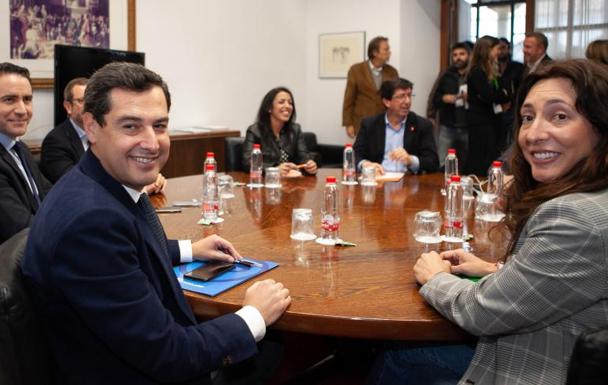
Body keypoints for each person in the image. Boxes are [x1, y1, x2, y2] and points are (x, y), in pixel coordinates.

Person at [22, 62, 291, 385]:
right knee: (279, 342)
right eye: (131, 127)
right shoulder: (91, 223)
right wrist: (253, 315)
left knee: (277, 347)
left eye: (160, 126)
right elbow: (171, 355)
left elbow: (127, 248)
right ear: (91, 127)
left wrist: (189, 249)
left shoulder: (102, 184)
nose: (152, 143)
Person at [372, 59, 608, 385]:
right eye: (527, 118)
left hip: (536, 365)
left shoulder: (575, 217)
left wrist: (435, 277)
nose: (534, 133)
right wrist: (493, 269)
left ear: (601, 127)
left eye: (560, 116)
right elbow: (567, 276)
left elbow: (481, 312)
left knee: (396, 356)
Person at [40, 77, 166, 191]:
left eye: (92, 102)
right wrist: (137, 188)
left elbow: (118, 168)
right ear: (68, 106)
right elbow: (75, 184)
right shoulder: (55, 141)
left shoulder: (106, 132)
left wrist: (144, 175)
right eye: (81, 101)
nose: (89, 106)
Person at [0, 62, 52, 244]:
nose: (23, 110)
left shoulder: (19, 147)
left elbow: (51, 195)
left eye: (27, 99)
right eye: (9, 100)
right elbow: (21, 227)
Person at [353, 78, 439, 175]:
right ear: (387, 102)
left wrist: (411, 160)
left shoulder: (422, 125)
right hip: (378, 181)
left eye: (409, 96)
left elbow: (433, 162)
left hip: (409, 183)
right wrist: (365, 164)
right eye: (401, 96)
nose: (407, 101)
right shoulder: (370, 124)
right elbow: (354, 156)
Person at [242, 86, 317, 176]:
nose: (287, 106)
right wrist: (274, 169)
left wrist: (309, 165)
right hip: (266, 183)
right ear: (269, 108)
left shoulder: (295, 129)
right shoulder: (254, 131)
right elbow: (247, 163)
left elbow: (303, 156)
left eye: (290, 103)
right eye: (281, 102)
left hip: (291, 184)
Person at [464, 36, 511, 176]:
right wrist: (501, 95)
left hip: (492, 119)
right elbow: (488, 95)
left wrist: (501, 94)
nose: (499, 52)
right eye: (497, 49)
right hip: (480, 122)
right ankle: (477, 182)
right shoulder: (477, 71)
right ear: (487, 50)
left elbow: (507, 92)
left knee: (491, 155)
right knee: (480, 156)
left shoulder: (493, 70)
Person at [342, 36, 399, 138]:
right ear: (375, 53)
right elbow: (349, 98)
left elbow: (395, 99)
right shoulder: (356, 70)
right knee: (362, 153)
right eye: (386, 49)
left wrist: (397, 120)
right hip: (361, 123)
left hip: (386, 124)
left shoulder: (392, 72)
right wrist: (348, 124)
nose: (389, 52)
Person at [432, 42, 471, 170]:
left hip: (468, 126)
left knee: (467, 163)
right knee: (442, 162)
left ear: (469, 55)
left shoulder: (474, 75)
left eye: (461, 54)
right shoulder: (446, 74)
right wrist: (444, 98)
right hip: (448, 126)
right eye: (455, 55)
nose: (458, 57)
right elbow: (435, 99)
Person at [497, 37, 525, 146]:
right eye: (498, 48)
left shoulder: (518, 67)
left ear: (509, 48)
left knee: (512, 142)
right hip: (495, 111)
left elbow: (521, 89)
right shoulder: (491, 68)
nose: (500, 51)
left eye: (503, 48)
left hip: (513, 110)